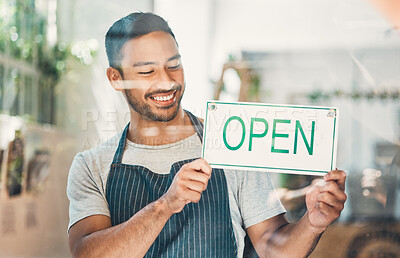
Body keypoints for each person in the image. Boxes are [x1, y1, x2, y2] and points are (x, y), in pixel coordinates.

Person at [67, 12, 347, 258]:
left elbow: (272, 246)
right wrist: (165, 205)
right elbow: (88, 254)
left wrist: (312, 224)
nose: (166, 81)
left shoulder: (230, 143)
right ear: (116, 78)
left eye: (173, 65)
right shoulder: (92, 165)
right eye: (147, 71)